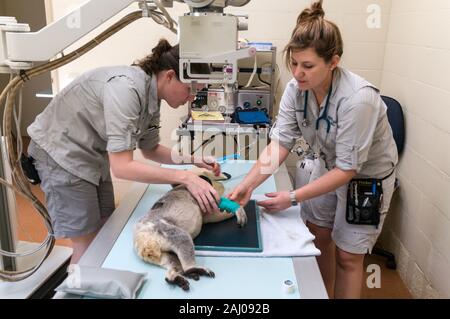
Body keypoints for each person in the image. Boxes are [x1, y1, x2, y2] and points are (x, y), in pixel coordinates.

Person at [228, 0, 398, 299]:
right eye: (293, 63)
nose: (297, 73)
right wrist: (247, 185)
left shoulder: (358, 100)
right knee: (318, 238)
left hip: (364, 178)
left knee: (348, 257)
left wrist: (291, 198)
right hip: (328, 165)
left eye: (307, 66)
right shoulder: (297, 90)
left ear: (333, 61)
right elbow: (280, 143)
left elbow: (348, 169)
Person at [27, 39, 221, 264]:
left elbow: (150, 150)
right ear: (169, 76)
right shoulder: (126, 90)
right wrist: (184, 177)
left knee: (105, 228)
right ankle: (75, 289)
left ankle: (94, 281)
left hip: (91, 156)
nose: (191, 98)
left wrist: (193, 161)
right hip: (60, 156)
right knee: (86, 242)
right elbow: (122, 167)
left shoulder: (153, 98)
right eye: (190, 89)